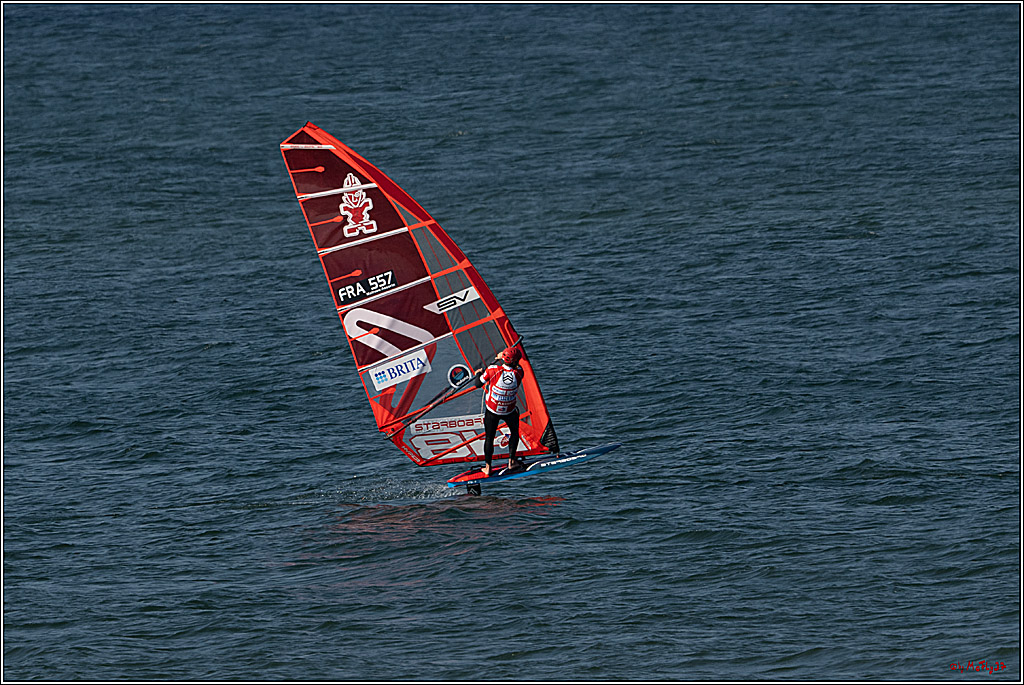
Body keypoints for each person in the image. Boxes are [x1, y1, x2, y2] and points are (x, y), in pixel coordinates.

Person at [475, 346, 525, 477]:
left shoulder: (493, 370)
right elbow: (512, 367)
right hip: (509, 410)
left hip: (493, 411)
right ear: (515, 361)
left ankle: (487, 468)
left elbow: (478, 384)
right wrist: (501, 358)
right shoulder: (520, 372)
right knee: (514, 433)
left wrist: (479, 373)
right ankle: (512, 461)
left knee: (489, 438)